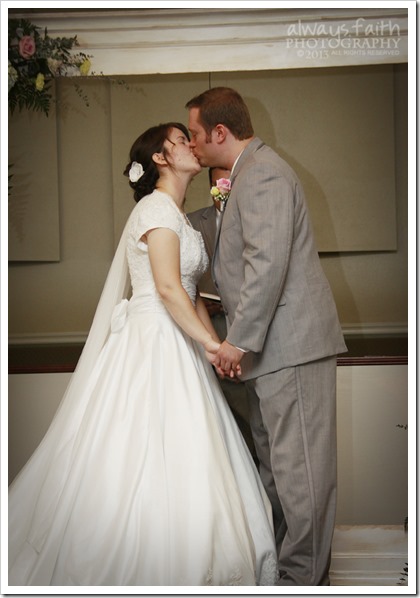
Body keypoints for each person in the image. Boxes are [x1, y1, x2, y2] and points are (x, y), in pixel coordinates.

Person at [8, 122, 278, 587]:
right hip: (153, 337)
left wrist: (213, 350)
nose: (192, 146)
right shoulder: (155, 208)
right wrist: (212, 344)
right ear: (160, 158)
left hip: (180, 338)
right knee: (145, 445)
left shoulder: (179, 216)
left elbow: (190, 293)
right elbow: (167, 289)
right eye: (181, 141)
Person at [186, 88, 348, 586]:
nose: (192, 144)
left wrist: (236, 342)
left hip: (290, 346)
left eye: (194, 134)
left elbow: (266, 265)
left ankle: (303, 584)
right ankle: (285, 573)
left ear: (220, 132)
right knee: (278, 473)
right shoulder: (246, 174)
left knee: (301, 476)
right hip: (271, 351)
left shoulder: (263, 174)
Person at [188, 167, 258, 463]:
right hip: (210, 326)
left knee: (258, 416)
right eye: (221, 180)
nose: (226, 185)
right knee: (221, 415)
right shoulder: (191, 223)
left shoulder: (257, 219)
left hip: (252, 324)